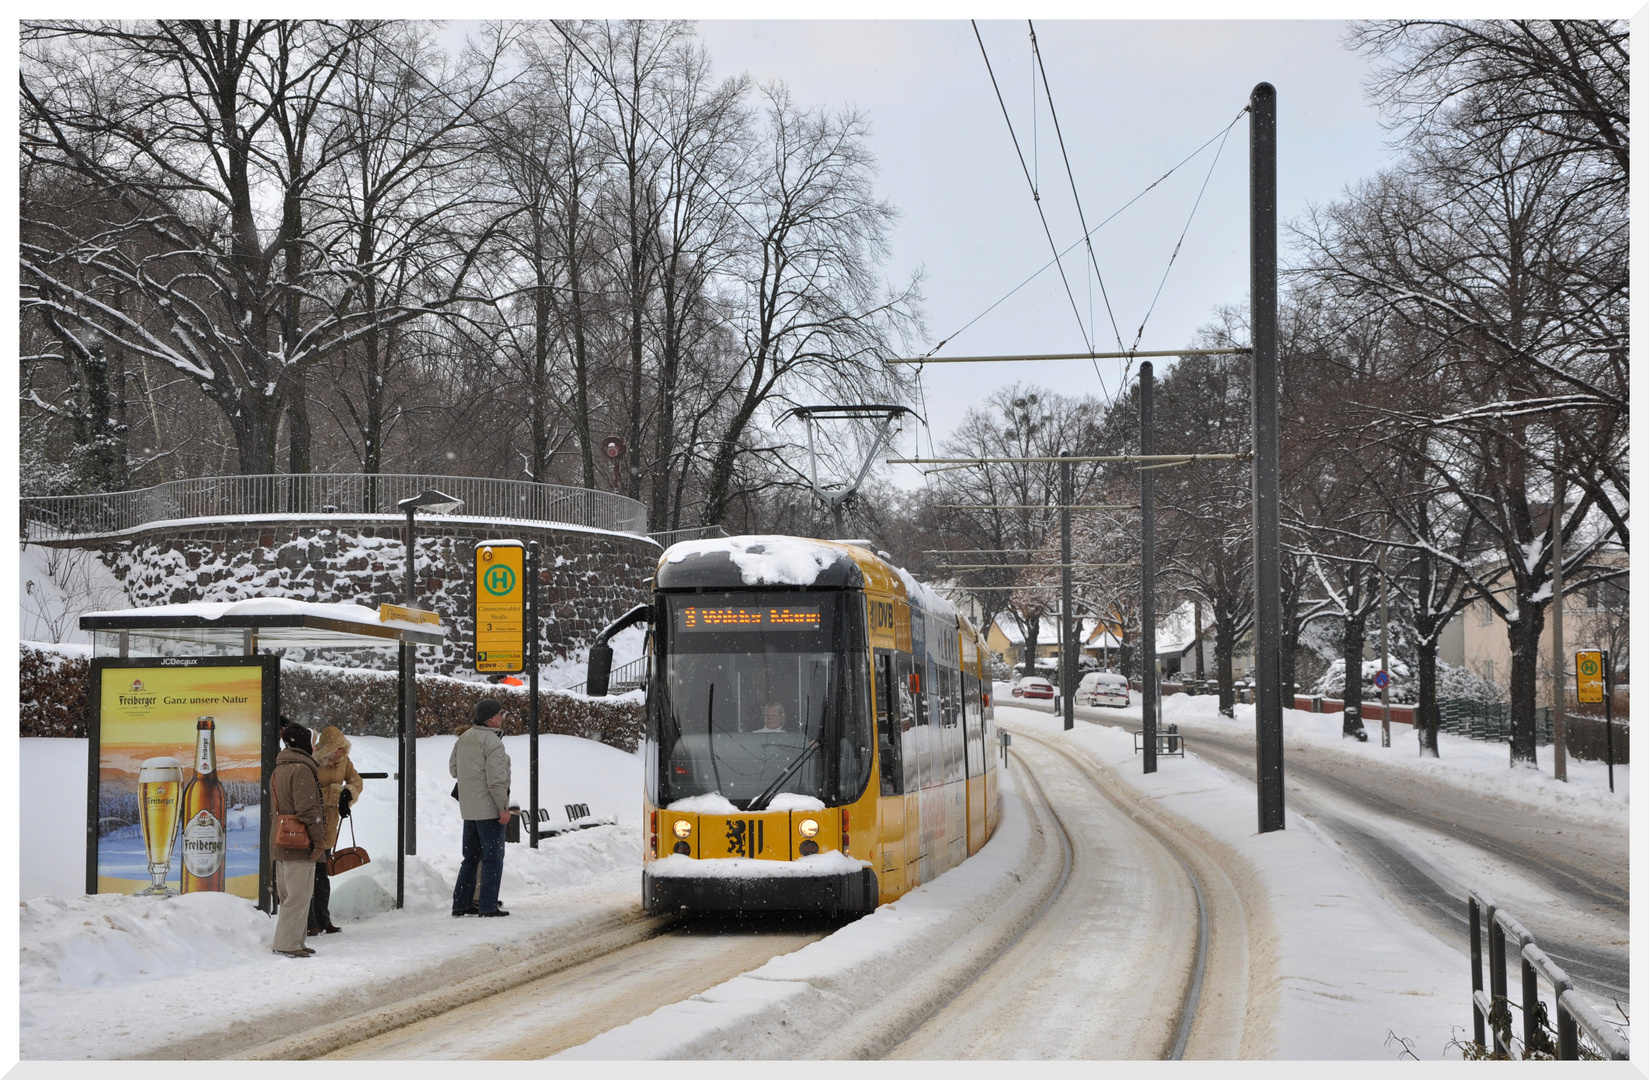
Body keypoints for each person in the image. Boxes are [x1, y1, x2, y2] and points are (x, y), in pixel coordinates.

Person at [450, 698, 513, 918]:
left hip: (469, 810)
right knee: (492, 858)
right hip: (489, 810)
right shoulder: (493, 742)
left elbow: (453, 770)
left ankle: (460, 904)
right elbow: (497, 780)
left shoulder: (464, 738)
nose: (502, 718)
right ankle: (487, 906)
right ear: (491, 718)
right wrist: (503, 808)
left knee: (470, 858)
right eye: (500, 714)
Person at [271, 721, 326, 957]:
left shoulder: (279, 767)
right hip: (298, 842)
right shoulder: (301, 769)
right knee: (299, 895)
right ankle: (288, 944)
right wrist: (319, 841)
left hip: (281, 841)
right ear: (304, 743)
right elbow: (307, 811)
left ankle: (295, 941)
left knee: (288, 896)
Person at [308, 725, 363, 937]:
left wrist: (348, 795)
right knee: (311, 874)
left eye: (342, 749)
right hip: (312, 822)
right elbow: (307, 791)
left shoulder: (345, 762)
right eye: (335, 749)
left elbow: (356, 781)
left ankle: (324, 919)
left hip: (330, 824)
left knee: (323, 875)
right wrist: (334, 794)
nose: (338, 753)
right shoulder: (313, 763)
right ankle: (311, 920)